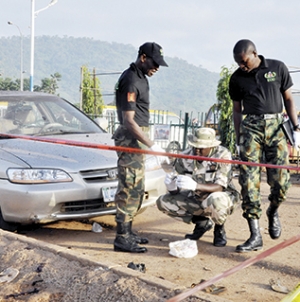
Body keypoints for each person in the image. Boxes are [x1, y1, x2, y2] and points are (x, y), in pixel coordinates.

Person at [229, 39, 300, 253]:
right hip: (251, 127)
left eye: (244, 61)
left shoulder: (277, 68)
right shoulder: (237, 78)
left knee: (281, 182)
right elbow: (236, 110)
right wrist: (240, 138)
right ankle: (255, 234)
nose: (242, 66)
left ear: (254, 54)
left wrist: (296, 128)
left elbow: (288, 98)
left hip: (277, 126)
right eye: (238, 63)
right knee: (248, 181)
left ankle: (273, 211)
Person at [112, 42, 169, 253]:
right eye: (154, 63)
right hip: (130, 139)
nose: (157, 68)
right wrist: (153, 145)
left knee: (137, 186)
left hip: (137, 138)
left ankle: (128, 232)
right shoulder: (131, 79)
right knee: (128, 186)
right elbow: (129, 121)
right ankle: (121, 237)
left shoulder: (141, 78)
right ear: (143, 57)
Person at [156, 127, 240, 247]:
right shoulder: (185, 156)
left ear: (211, 146)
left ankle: (219, 228)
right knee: (163, 202)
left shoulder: (222, 155)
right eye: (195, 146)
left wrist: (195, 185)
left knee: (216, 200)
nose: (197, 151)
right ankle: (201, 222)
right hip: (196, 197)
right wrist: (171, 186)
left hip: (222, 197)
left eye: (201, 148)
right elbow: (176, 186)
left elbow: (220, 187)